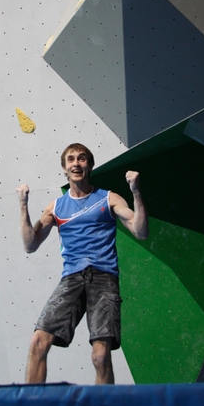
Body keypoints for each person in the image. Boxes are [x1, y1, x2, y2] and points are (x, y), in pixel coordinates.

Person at [16, 143, 148, 384]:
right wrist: (23, 205)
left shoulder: (108, 198)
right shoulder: (56, 206)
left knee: (100, 355)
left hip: (104, 278)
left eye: (82, 159)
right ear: (65, 168)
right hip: (72, 278)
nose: (76, 163)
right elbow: (30, 245)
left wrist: (136, 192)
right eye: (71, 160)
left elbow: (140, 231)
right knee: (37, 342)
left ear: (90, 165)